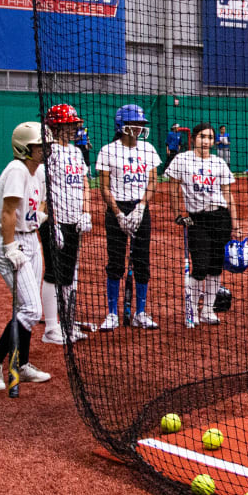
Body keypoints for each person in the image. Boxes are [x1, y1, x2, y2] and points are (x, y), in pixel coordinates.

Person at [0, 122, 55, 393]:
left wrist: (40, 216)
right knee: (31, 309)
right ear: (25, 147)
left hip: (32, 238)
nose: (45, 150)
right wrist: (10, 247)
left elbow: (43, 201)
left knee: (29, 310)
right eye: (40, 145)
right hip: (14, 242)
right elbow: (8, 211)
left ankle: (20, 363)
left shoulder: (39, 172)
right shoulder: (16, 170)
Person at [164, 123, 245, 326]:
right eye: (202, 137)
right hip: (196, 219)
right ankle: (190, 312)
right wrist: (178, 214)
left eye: (209, 137)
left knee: (215, 267)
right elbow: (173, 189)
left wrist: (235, 224)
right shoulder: (182, 160)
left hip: (220, 217)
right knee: (199, 266)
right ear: (194, 139)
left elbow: (228, 195)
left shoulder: (219, 163)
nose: (206, 141)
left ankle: (208, 311)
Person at [95, 105, 162, 330]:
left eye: (141, 124)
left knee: (142, 261)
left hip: (140, 209)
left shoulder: (148, 149)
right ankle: (112, 313)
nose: (139, 128)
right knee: (115, 261)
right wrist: (118, 214)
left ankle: (140, 312)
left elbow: (153, 181)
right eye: (135, 124)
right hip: (117, 210)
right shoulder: (107, 151)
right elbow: (104, 187)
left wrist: (142, 206)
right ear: (122, 126)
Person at [38, 104, 91, 345]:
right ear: (56, 126)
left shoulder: (77, 152)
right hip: (54, 221)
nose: (73, 128)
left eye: (73, 124)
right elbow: (43, 190)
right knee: (53, 273)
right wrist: (54, 222)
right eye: (69, 124)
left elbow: (84, 183)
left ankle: (68, 324)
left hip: (74, 220)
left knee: (70, 273)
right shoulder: (49, 153)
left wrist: (86, 212)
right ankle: (51, 328)